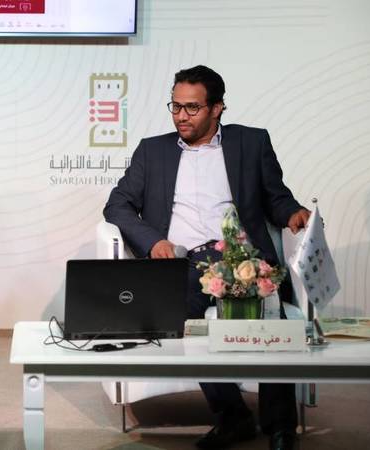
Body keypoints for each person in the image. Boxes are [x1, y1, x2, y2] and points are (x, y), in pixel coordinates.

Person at [104, 65, 308, 450]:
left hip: (242, 256)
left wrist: (294, 213)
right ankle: (233, 417)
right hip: (183, 263)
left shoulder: (252, 142)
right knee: (175, 317)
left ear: (217, 108)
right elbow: (118, 205)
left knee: (272, 323)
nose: (181, 116)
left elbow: (276, 197)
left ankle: (281, 427)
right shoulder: (153, 151)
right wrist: (152, 241)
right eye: (176, 106)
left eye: (192, 108)